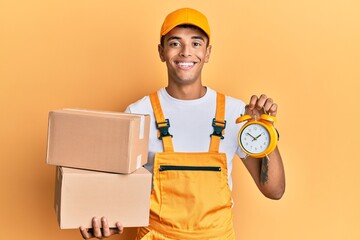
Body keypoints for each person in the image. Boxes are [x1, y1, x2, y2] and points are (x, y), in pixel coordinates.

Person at [80, 7, 285, 240]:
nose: (186, 52)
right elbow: (114, 194)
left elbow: (275, 190)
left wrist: (264, 130)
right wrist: (99, 220)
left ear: (208, 53)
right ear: (161, 51)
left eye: (196, 44)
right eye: (175, 43)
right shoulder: (138, 114)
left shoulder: (236, 113)